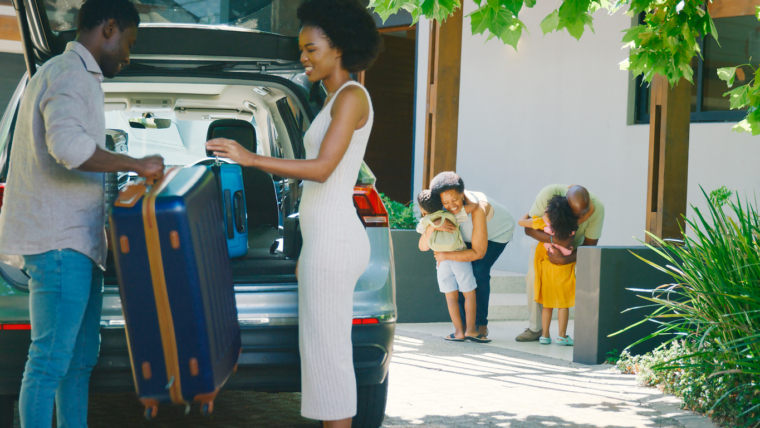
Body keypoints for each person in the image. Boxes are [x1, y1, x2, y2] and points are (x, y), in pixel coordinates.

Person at [205, 0, 382, 425]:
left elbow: (322, 170)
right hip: (325, 241)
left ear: (339, 47)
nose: (303, 57)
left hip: (336, 241)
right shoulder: (334, 98)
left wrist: (252, 159)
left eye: (311, 48)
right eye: (302, 48)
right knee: (322, 353)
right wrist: (307, 255)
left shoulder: (352, 97)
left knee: (329, 356)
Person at [0, 0, 165, 426]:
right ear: (108, 28)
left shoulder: (73, 76)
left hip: (80, 245)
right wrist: (136, 164)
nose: (128, 56)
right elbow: (70, 149)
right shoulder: (68, 74)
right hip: (59, 245)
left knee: (78, 361)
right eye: (128, 43)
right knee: (50, 361)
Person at [426, 172, 515, 342]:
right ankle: (463, 328)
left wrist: (445, 254)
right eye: (446, 202)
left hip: (497, 233)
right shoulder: (441, 207)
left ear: (462, 193)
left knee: (479, 270)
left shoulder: (477, 207)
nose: (451, 206)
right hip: (465, 237)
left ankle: (480, 326)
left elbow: (478, 253)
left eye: (455, 200)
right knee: (459, 269)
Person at [515, 184, 605, 342]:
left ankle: (583, 333)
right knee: (533, 277)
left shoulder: (596, 208)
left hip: (574, 249)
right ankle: (536, 329)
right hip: (544, 244)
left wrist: (564, 258)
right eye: (575, 214)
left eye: (582, 214)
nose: (579, 218)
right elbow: (529, 230)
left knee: (572, 285)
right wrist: (554, 239)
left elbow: (589, 247)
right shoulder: (548, 195)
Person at [416, 190, 484, 343]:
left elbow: (422, 247)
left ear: (422, 209)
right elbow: (474, 206)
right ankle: (471, 330)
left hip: (441, 261)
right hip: (459, 256)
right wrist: (462, 194)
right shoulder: (452, 215)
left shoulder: (425, 222)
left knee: (451, 297)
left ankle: (459, 332)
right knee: (469, 293)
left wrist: (432, 228)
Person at [517, 195, 578, 346]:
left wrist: (529, 214)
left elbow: (521, 222)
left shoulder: (541, 223)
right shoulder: (570, 228)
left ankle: (545, 335)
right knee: (563, 304)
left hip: (547, 266)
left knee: (547, 304)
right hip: (564, 268)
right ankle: (562, 336)